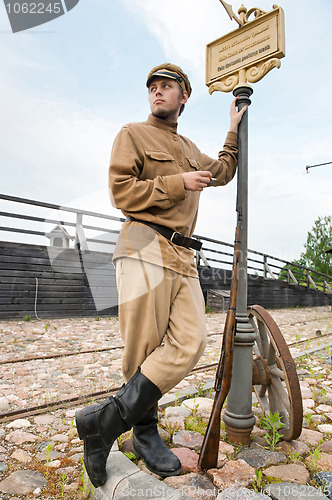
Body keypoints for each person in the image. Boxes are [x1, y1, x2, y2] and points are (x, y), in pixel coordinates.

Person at [75, 63, 246, 488]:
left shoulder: (188, 146)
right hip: (144, 244)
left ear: (183, 96)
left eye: (167, 87)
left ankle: (103, 423)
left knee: (192, 341)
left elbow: (222, 171)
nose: (157, 92)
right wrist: (177, 183)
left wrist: (234, 126)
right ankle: (144, 432)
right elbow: (121, 192)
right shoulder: (132, 133)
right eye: (153, 86)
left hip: (183, 256)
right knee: (143, 347)